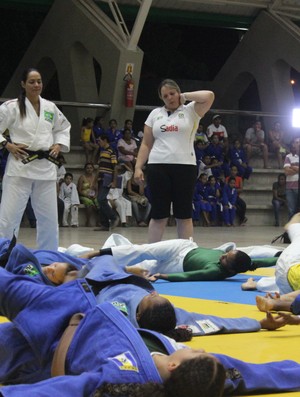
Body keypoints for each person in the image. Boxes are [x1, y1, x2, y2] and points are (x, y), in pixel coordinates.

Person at [0, 271, 299, 397]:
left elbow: (65, 390)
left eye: (198, 352)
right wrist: (258, 326)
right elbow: (255, 374)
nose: (204, 350)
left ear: (174, 365)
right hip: (72, 306)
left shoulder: (126, 379)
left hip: (53, 335)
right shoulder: (201, 371)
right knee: (9, 285)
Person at [134, 79, 214, 242]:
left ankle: (184, 253)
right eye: (165, 96)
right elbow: (146, 143)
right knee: (159, 213)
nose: (169, 98)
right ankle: (153, 251)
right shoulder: (154, 114)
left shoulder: (192, 110)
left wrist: (185, 96)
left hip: (185, 167)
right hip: (158, 167)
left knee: (183, 214)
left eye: (172, 93)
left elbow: (209, 96)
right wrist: (138, 167)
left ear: (178, 92)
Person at [0, 67, 70, 250]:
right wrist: (7, 145)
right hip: (20, 166)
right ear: (23, 84)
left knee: (49, 219)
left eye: (39, 81)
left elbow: (63, 128)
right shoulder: (11, 107)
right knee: (9, 218)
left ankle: (48, 258)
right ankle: (3, 255)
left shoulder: (50, 107)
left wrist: (58, 144)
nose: (36, 85)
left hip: (46, 167)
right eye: (31, 82)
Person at [98, 236, 278, 282]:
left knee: (143, 265)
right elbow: (260, 262)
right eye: (226, 253)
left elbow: (190, 276)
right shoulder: (240, 263)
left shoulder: (215, 271)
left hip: (175, 266)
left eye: (225, 259)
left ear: (230, 270)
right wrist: (279, 257)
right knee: (142, 249)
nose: (222, 255)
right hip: (185, 247)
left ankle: (103, 263)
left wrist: (163, 276)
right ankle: (100, 253)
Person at [241, 212, 300, 294]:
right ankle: (258, 285)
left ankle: (258, 285)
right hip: (290, 274)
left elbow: (290, 225)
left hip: (284, 277)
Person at [95, 134, 119, 231]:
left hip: (107, 179)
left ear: (105, 140)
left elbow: (115, 167)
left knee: (101, 199)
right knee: (100, 200)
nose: (98, 142)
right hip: (101, 179)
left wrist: (114, 181)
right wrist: (94, 182)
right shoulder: (102, 152)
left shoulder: (111, 151)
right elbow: (99, 168)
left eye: (100, 140)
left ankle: (114, 217)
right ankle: (104, 224)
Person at [77, 162, 99, 227]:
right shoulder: (82, 177)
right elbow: (79, 190)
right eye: (87, 168)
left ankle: (98, 221)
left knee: (98, 203)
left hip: (93, 196)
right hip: (84, 196)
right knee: (89, 203)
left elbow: (97, 190)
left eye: (91, 168)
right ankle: (88, 221)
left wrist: (95, 196)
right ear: (85, 169)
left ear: (93, 169)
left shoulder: (95, 178)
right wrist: (87, 195)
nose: (89, 169)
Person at [283, 137, 300, 220]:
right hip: (290, 187)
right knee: (291, 210)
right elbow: (286, 172)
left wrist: (292, 167)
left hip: (298, 186)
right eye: (296, 142)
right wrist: (297, 169)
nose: (297, 144)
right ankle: (290, 231)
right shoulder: (288, 157)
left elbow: (290, 169)